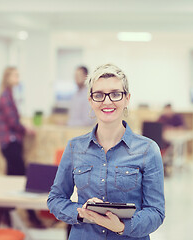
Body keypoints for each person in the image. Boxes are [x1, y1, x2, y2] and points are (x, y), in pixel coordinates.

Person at [48, 64, 165, 239]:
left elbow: (156, 212)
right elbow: (55, 199)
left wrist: (121, 227)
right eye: (99, 95)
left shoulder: (148, 149)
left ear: (127, 99)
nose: (107, 101)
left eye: (116, 94)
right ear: (91, 100)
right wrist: (81, 212)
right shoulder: (75, 147)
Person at [0, 66, 43, 228]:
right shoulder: (5, 97)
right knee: (22, 180)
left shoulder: (9, 95)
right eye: (15, 75)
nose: (18, 78)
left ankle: (5, 217)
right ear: (7, 77)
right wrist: (26, 129)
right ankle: (30, 217)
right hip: (10, 142)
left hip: (12, 142)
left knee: (13, 180)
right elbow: (13, 122)